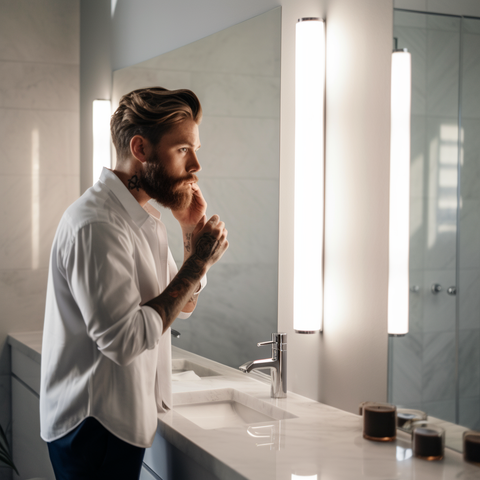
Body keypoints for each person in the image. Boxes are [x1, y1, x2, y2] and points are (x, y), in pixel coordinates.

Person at [40, 87, 228, 479]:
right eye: (182, 150)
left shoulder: (139, 218)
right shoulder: (98, 225)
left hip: (113, 421)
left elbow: (181, 305)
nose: (195, 164)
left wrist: (190, 230)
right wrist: (197, 261)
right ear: (141, 149)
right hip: (93, 427)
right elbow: (124, 340)